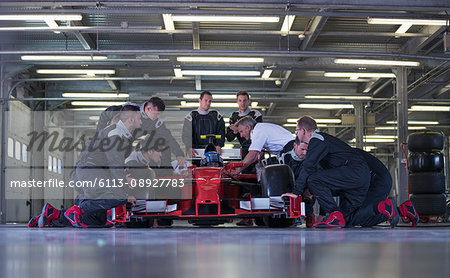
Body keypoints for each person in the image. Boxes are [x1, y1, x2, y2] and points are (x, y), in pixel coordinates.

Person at [32, 105, 142, 228]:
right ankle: (78, 210)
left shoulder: (112, 134)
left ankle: (54, 215)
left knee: (97, 220)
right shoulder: (115, 133)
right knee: (119, 195)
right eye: (139, 117)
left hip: (85, 174)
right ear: (130, 119)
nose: (141, 121)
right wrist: (125, 191)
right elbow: (115, 164)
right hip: (90, 174)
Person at [281, 116, 375, 228]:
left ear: (303, 131)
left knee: (314, 180)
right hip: (360, 176)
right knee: (347, 219)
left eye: (296, 131)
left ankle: (334, 214)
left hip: (353, 171)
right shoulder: (323, 140)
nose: (296, 134)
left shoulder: (317, 140)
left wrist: (296, 193)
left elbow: (308, 166)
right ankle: (383, 208)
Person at [96, 97, 186, 168]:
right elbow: (105, 114)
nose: (158, 117)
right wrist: (99, 135)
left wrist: (179, 154)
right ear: (148, 108)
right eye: (157, 113)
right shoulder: (129, 109)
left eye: (160, 114)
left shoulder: (156, 122)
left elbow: (168, 137)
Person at [347, 148, 420, 227]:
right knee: (366, 221)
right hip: (381, 178)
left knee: (349, 219)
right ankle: (404, 209)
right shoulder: (347, 152)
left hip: (377, 180)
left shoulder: (343, 155)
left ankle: (385, 206)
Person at [279, 137, 316, 228]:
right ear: (295, 145)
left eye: (307, 150)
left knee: (309, 194)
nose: (305, 153)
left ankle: (309, 214)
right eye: (302, 149)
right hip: (289, 180)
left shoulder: (311, 158)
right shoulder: (285, 156)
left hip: (305, 181)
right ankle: (293, 216)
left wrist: (308, 190)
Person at [182, 91, 225, 157]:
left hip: (213, 154)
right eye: (206, 100)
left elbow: (221, 132)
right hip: (195, 154)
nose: (208, 103)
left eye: (210, 101)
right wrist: (189, 147)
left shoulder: (216, 116)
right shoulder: (191, 117)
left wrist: (219, 145)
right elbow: (186, 134)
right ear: (200, 100)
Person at [226, 91, 263, 159]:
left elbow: (259, 132)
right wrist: (235, 131)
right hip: (244, 149)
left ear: (249, 101)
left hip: (257, 148)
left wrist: (238, 128)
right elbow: (229, 138)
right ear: (237, 101)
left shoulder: (255, 114)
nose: (242, 103)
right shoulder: (233, 116)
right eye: (240, 100)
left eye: (245, 100)